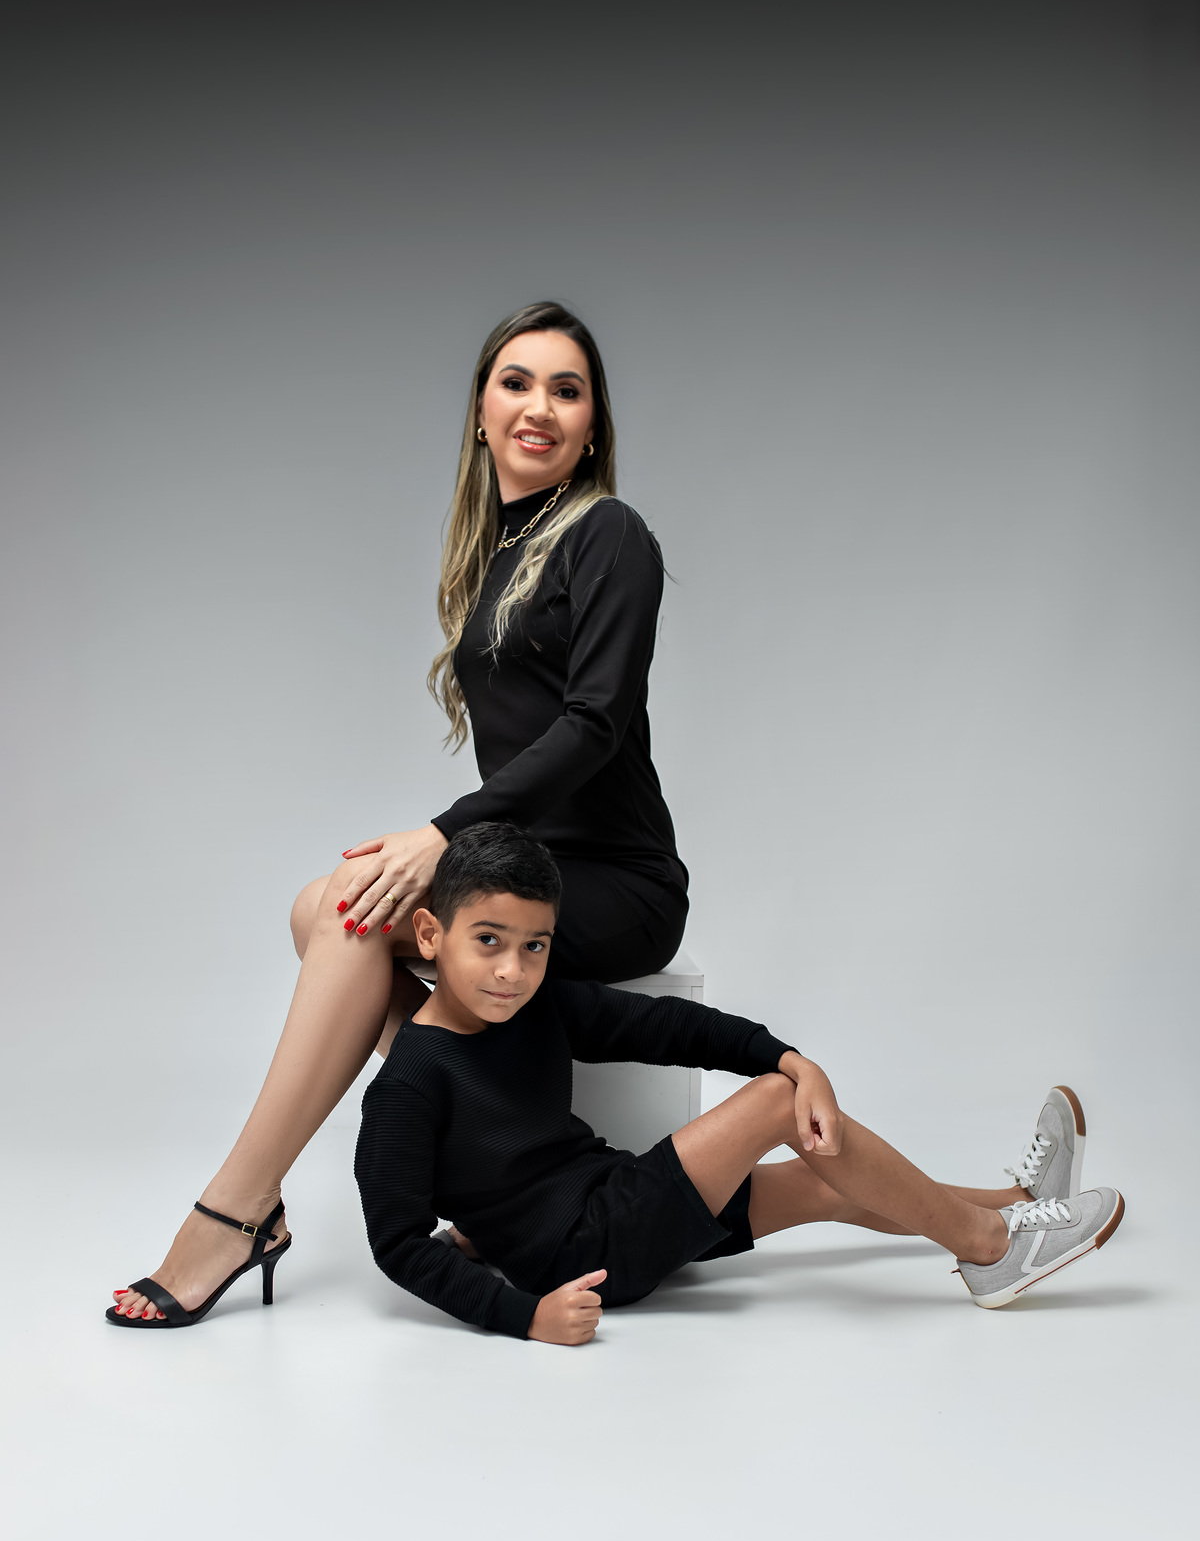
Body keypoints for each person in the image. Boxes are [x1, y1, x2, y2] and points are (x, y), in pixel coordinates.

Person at [108, 301, 689, 1327]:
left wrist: (445, 837)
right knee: (322, 907)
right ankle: (495, 1162)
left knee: (347, 909)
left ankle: (238, 1209)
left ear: (593, 426)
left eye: (566, 390)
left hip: (616, 883)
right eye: (516, 382)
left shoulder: (609, 533)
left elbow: (594, 725)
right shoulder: (496, 552)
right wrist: (457, 851)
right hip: (527, 871)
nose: (539, 407)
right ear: (481, 410)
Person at [348, 824, 1125, 1342]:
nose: (513, 971)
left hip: (611, 1198)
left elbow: (668, 1028)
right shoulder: (409, 1085)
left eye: (535, 946)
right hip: (589, 1247)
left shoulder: (538, 1007)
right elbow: (398, 1243)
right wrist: (526, 1317)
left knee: (824, 1178)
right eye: (489, 941)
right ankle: (992, 1250)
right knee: (780, 1107)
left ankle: (1019, 1205)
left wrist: (788, 1056)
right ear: (430, 935)